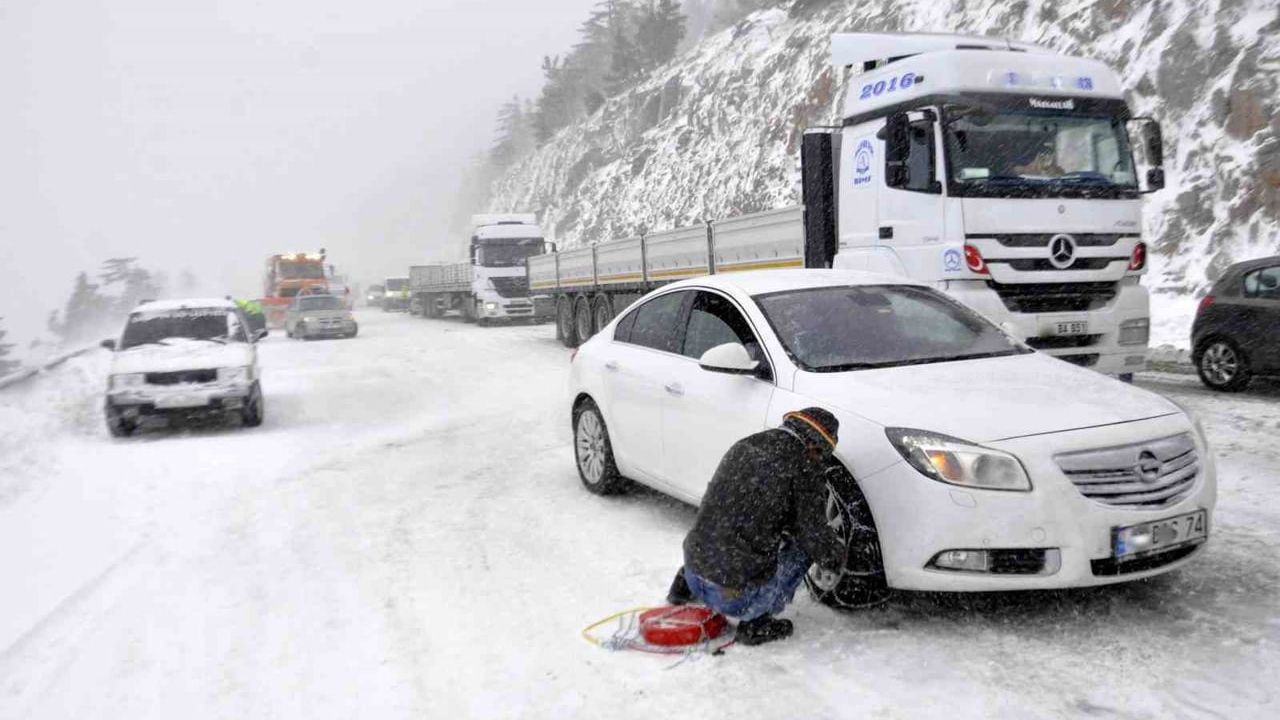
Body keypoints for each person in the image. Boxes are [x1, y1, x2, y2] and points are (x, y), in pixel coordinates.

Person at [667, 407, 847, 646]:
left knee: (723, 522)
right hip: (732, 597)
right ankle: (756, 622)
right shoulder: (804, 468)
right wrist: (838, 558)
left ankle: (682, 589)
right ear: (815, 447)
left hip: (693, 572)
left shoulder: (745, 445)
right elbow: (813, 536)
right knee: (803, 548)